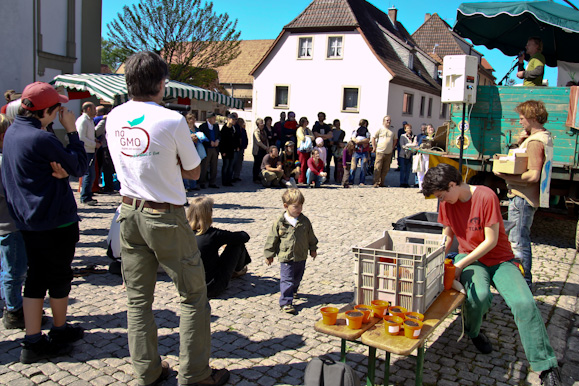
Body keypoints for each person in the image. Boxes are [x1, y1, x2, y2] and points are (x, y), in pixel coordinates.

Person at [106, 51, 229, 386]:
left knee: (137, 300)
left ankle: (146, 371)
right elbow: (193, 170)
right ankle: (195, 374)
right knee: (192, 297)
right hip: (165, 215)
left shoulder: (114, 117)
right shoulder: (171, 120)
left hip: (128, 211)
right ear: (161, 84)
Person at [422, 164, 561, 386]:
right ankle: (474, 332)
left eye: (442, 195)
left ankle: (546, 366)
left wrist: (460, 265)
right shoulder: (446, 202)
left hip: (500, 260)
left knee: (524, 303)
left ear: (452, 185)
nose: (442, 200)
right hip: (471, 260)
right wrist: (433, 259)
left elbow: (491, 241)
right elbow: (447, 238)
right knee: (478, 298)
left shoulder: (486, 196)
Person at [2, 82, 88, 363]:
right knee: (59, 276)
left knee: (36, 278)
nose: (61, 112)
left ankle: (32, 339)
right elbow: (80, 167)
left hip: (29, 219)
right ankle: (58, 330)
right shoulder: (42, 138)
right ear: (47, 111)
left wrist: (62, 171)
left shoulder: (14, 131)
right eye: (58, 108)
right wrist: (72, 130)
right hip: (54, 219)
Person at [493, 100, 553, 290]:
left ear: (532, 117)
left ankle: (523, 283)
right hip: (525, 196)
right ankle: (523, 279)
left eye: (522, 118)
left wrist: (506, 175)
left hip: (522, 196)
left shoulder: (536, 142)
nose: (520, 122)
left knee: (518, 241)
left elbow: (534, 175)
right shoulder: (542, 137)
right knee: (520, 238)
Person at [264, 188, 318, 315]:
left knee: (297, 277)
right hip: (286, 256)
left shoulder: (304, 221)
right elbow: (272, 238)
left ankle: (293, 290)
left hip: (301, 255)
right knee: (287, 279)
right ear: (286, 206)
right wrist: (269, 254)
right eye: (296, 207)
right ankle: (286, 302)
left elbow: (311, 236)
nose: (299, 209)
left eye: (301, 206)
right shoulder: (280, 222)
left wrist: (313, 248)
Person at [187, 196, 251, 298]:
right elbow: (244, 236)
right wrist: (225, 242)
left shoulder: (183, 233)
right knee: (237, 243)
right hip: (211, 287)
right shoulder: (213, 235)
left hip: (188, 286)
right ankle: (238, 270)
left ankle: (237, 270)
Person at [0, 114, 28, 330]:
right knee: (14, 271)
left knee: (7, 269)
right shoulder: (3, 162)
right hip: (9, 224)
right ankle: (14, 310)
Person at [77, 101, 99, 205]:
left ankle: (88, 194)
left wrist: (95, 141)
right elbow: (81, 138)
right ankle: (85, 197)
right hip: (86, 151)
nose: (96, 111)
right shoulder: (83, 121)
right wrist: (94, 144)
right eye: (94, 109)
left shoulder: (89, 121)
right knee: (88, 174)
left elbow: (89, 135)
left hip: (90, 150)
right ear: (89, 109)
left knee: (91, 174)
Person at [93, 105, 116, 193]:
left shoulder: (104, 120)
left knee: (106, 167)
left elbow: (97, 132)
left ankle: (108, 187)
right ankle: (109, 186)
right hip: (111, 145)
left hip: (106, 145)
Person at [198, 112, 220, 189]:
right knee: (204, 166)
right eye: (213, 118)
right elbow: (201, 137)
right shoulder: (202, 127)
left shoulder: (216, 126)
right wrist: (209, 142)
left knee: (214, 167)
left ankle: (212, 182)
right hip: (207, 149)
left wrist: (217, 140)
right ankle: (202, 182)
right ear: (209, 119)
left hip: (215, 149)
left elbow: (219, 135)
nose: (215, 120)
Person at [372, 115, 396, 188]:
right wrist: (374, 147)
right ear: (383, 121)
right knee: (378, 167)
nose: (388, 122)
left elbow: (395, 139)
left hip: (388, 152)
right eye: (387, 120)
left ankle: (382, 182)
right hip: (380, 151)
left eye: (389, 120)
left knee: (385, 168)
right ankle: (376, 182)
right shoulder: (380, 129)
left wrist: (392, 147)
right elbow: (373, 137)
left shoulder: (392, 130)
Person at [219, 112, 239, 187]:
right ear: (228, 119)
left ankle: (229, 180)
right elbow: (222, 141)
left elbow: (235, 139)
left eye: (235, 120)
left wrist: (236, 146)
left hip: (232, 150)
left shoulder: (233, 129)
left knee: (230, 166)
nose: (234, 121)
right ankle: (224, 181)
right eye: (232, 119)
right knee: (225, 166)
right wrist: (223, 151)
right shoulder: (224, 129)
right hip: (225, 151)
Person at [414, 124, 435, 192]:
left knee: (428, 171)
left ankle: (428, 187)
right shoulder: (423, 138)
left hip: (431, 156)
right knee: (420, 171)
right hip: (423, 156)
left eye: (431, 127)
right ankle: (421, 187)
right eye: (429, 128)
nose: (431, 129)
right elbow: (419, 146)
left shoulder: (435, 137)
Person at [350, 119, 371, 186]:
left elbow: (368, 140)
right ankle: (351, 180)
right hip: (356, 151)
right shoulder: (357, 130)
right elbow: (353, 138)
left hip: (364, 151)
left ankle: (361, 181)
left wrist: (359, 141)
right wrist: (359, 141)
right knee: (353, 167)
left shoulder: (366, 131)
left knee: (363, 167)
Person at [312, 112, 333, 179]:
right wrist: (324, 136)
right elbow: (315, 134)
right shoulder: (316, 126)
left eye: (322, 116)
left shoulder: (326, 126)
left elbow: (330, 135)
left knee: (326, 162)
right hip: (317, 147)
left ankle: (327, 177)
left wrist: (321, 136)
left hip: (326, 146)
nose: (321, 118)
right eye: (319, 116)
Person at [296, 116, 315, 184]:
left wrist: (307, 136)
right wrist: (308, 137)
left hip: (308, 149)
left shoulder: (308, 130)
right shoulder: (300, 129)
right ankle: (301, 179)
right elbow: (302, 137)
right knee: (302, 165)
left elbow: (313, 137)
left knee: (307, 164)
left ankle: (307, 179)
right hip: (302, 149)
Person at [252, 118, 269, 183]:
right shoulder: (256, 132)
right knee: (257, 164)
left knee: (262, 165)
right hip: (258, 150)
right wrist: (265, 147)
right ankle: (255, 177)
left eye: (263, 123)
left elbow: (266, 139)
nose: (262, 125)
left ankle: (261, 177)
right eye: (261, 124)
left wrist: (267, 147)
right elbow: (258, 142)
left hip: (264, 150)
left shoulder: (264, 131)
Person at [233, 117, 248, 182]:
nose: (242, 124)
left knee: (239, 163)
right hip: (236, 149)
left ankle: (237, 176)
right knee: (234, 162)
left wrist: (245, 145)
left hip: (242, 148)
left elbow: (246, 138)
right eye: (240, 122)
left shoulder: (243, 130)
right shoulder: (236, 129)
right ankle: (232, 176)